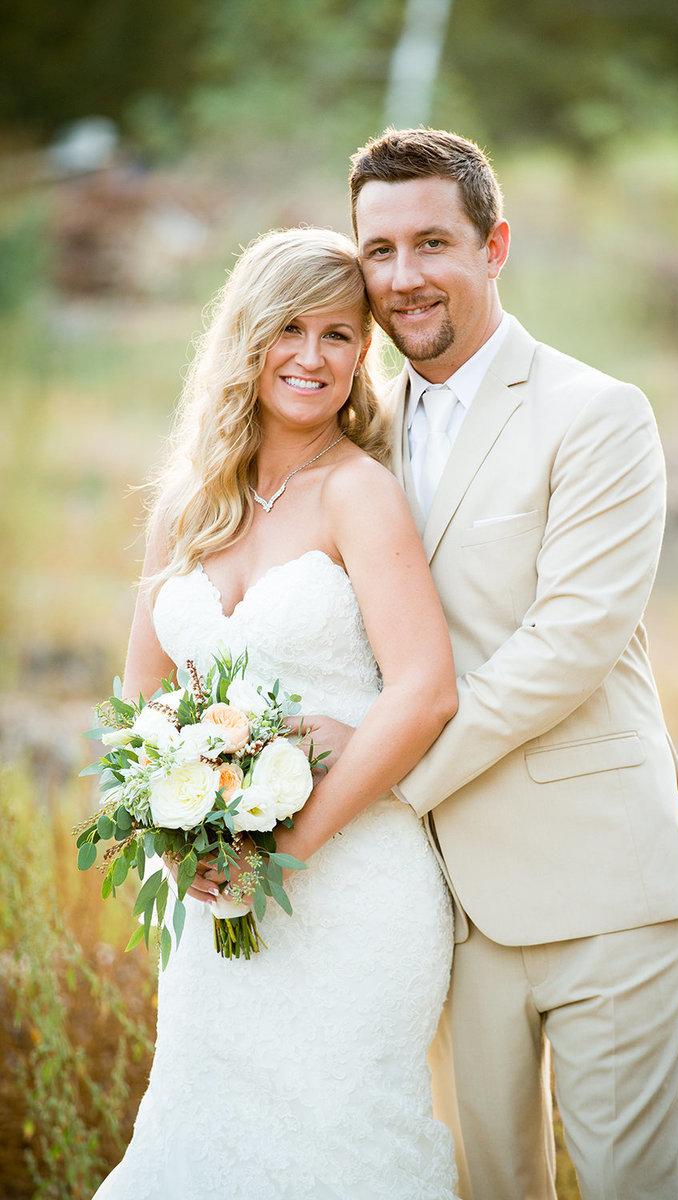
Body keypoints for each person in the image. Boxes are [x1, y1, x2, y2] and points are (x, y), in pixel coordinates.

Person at [328, 128, 678, 1199]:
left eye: (430, 244)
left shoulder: (594, 414)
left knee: (630, 1186)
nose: (402, 279)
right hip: (441, 910)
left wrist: (386, 783)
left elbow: (568, 645)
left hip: (600, 887)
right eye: (377, 252)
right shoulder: (356, 432)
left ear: (493, 246)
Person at [92, 227, 461, 1200]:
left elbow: (424, 691)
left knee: (341, 1147)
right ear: (245, 339)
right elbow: (140, 701)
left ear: (361, 357)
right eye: (287, 328)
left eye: (339, 335)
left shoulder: (359, 494)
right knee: (204, 1144)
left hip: (349, 895)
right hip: (210, 905)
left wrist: (282, 853)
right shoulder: (186, 505)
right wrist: (181, 847)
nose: (310, 356)